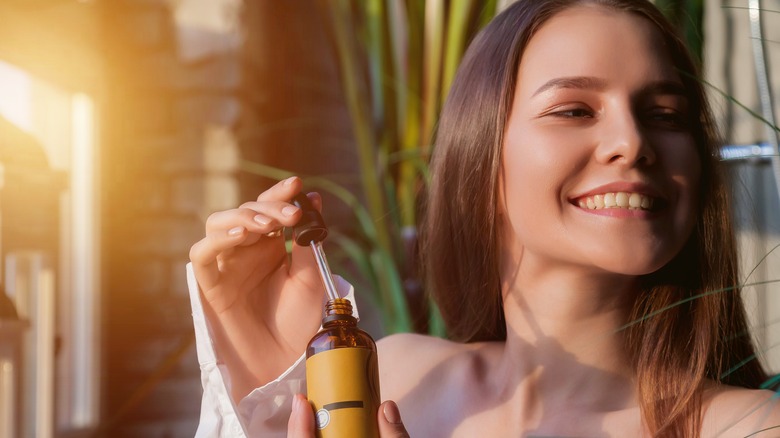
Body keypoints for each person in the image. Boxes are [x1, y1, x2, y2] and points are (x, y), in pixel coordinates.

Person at [187, 0, 780, 436]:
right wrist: (265, 384)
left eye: (666, 114)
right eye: (574, 109)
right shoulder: (391, 377)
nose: (631, 141)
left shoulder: (750, 429)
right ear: (480, 156)